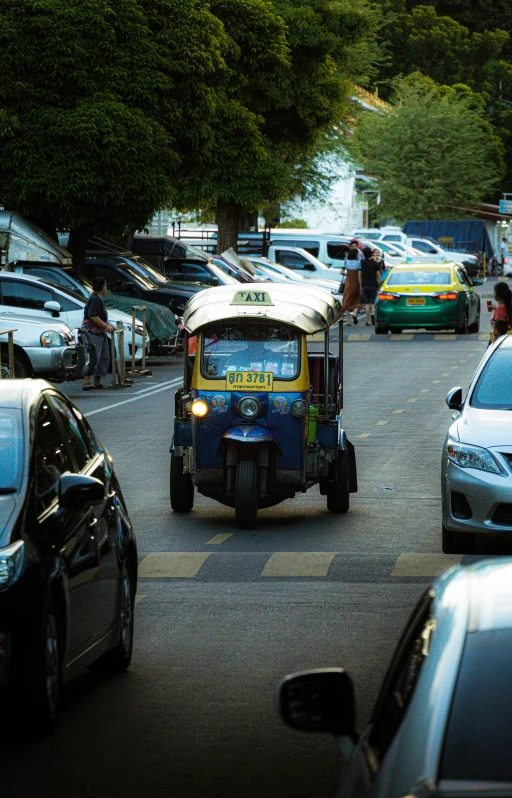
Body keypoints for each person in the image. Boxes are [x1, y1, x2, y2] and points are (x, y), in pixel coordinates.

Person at [82, 276, 116, 390]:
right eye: (105, 285)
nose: (106, 287)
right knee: (93, 357)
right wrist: (106, 325)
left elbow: (100, 317)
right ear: (103, 287)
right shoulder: (95, 299)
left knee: (104, 357)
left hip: (101, 333)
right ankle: (86, 382)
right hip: (93, 333)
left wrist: (109, 325)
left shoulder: (98, 298)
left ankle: (97, 381)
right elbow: (93, 316)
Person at [341, 244, 362, 325]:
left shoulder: (346, 262)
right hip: (356, 283)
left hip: (348, 283)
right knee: (357, 299)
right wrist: (360, 286)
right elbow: (359, 275)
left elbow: (341, 272)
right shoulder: (358, 263)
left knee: (346, 300)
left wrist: (347, 275)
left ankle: (348, 321)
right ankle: (354, 313)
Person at [360, 247, 381, 326]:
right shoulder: (374, 263)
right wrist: (380, 282)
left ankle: (368, 321)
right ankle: (373, 314)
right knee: (373, 302)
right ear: (371, 254)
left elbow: (360, 274)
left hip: (365, 284)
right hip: (373, 284)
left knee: (366, 303)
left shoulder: (362, 263)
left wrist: (360, 284)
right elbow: (378, 275)